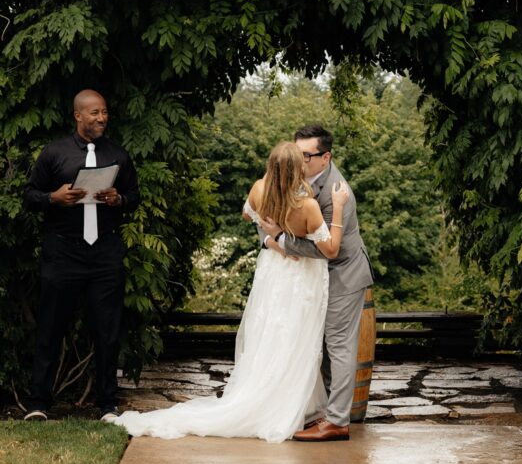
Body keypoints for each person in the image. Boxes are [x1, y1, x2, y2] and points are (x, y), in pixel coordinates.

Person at [109, 141, 349, 441]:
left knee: (269, 336)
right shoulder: (308, 206)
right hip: (301, 279)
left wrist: (272, 236)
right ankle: (289, 406)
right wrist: (337, 208)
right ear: (299, 168)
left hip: (273, 273)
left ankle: (278, 398)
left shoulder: (259, 189)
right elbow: (331, 249)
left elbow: (247, 214)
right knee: (295, 339)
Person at [23, 89, 140, 422]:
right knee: (50, 327)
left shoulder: (118, 155)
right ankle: (38, 403)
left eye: (104, 112)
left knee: (107, 330)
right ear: (78, 116)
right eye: (94, 113)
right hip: (63, 252)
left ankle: (107, 405)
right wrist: (53, 198)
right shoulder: (54, 153)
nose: (101, 118)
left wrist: (119, 199)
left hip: (105, 253)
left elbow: (134, 196)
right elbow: (29, 196)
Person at [260, 124, 374, 442]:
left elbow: (326, 249)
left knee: (338, 345)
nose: (299, 161)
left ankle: (337, 421)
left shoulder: (337, 193)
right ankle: (314, 412)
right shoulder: (292, 176)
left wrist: (280, 239)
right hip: (308, 276)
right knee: (306, 342)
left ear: (326, 158)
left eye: (306, 156)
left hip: (341, 273)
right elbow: (264, 211)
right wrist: (268, 239)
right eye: (296, 154)